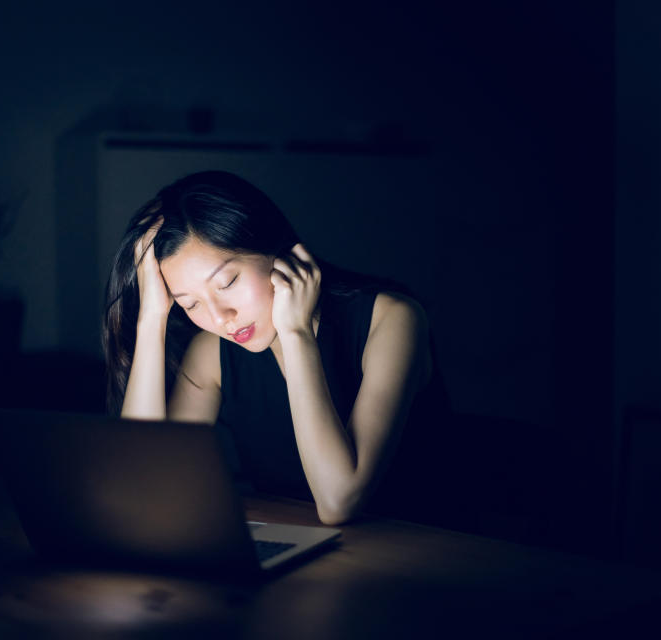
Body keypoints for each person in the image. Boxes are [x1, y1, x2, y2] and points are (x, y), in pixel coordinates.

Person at [102, 170, 450, 526]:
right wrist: (151, 318)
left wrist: (296, 333)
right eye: (190, 304)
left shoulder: (392, 319)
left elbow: (338, 501)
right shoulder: (212, 354)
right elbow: (144, 488)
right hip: (303, 553)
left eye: (228, 282)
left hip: (424, 556)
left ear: (274, 248)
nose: (222, 318)